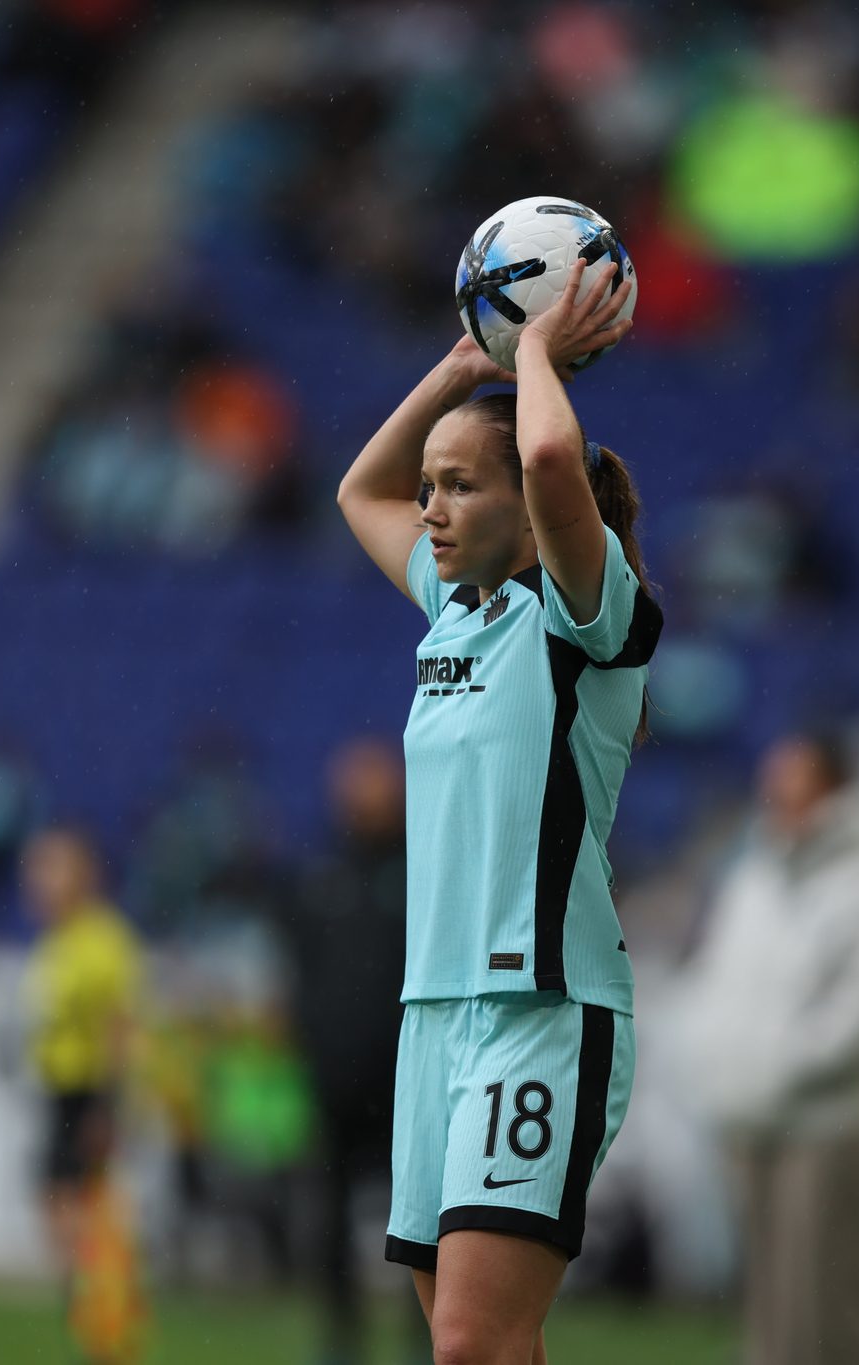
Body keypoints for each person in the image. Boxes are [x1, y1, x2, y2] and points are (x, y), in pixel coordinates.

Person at [336, 256, 654, 1365]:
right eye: (430, 487)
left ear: (527, 509)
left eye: (461, 486)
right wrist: (460, 368)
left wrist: (535, 354)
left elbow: (555, 455)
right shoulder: (454, 610)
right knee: (475, 1347)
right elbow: (359, 492)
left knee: (473, 1343)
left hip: (542, 1007)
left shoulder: (580, 614)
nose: (428, 508)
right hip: (435, 1011)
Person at [674, 732, 859, 1365]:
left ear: (832, 786)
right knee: (768, 1298)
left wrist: (783, 1068)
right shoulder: (755, 872)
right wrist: (722, 1065)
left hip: (828, 1122)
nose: (773, 787)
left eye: (791, 775)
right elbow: (718, 976)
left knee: (826, 1298)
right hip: (752, 1114)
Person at [281, 739, 415, 1365]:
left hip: (406, 1080)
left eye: (375, 781)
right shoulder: (319, 875)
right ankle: (341, 1342)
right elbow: (297, 971)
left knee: (421, 1216)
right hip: (333, 1082)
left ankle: (425, 1337)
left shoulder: (422, 870)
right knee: (328, 1218)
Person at [20, 825, 147, 1365]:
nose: (37, 880)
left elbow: (120, 1027)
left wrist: (106, 1106)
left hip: (87, 1094)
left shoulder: (103, 940)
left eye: (51, 867)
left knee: (90, 1217)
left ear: (83, 875)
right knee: (61, 1212)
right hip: (59, 1091)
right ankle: (94, 1324)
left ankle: (106, 1330)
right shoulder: (58, 940)